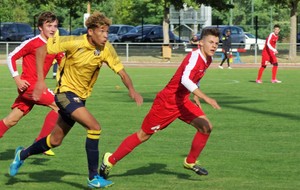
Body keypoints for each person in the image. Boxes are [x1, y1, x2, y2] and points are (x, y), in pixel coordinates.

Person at [8, 11, 143, 189]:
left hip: (80, 98)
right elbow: (41, 50)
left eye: (107, 32)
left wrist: (132, 90)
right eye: (101, 31)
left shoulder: (106, 49)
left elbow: (122, 72)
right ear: (90, 32)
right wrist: (40, 81)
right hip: (65, 94)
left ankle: (22, 155)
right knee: (94, 128)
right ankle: (93, 177)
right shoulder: (72, 41)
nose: (105, 36)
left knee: (55, 141)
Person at [100, 28, 221, 179]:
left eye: (216, 43)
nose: (214, 46)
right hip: (167, 102)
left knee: (206, 127)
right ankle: (110, 160)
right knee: (143, 135)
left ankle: (190, 162)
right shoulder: (195, 57)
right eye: (211, 42)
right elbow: (185, 79)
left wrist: (195, 96)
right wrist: (206, 98)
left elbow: (195, 78)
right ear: (201, 43)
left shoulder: (207, 59)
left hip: (182, 101)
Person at [0, 11, 64, 156]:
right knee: (59, 105)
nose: (53, 29)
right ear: (40, 27)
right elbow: (11, 57)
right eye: (49, 26)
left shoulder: (55, 45)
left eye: (55, 26)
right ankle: (40, 142)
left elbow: (64, 63)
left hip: (34, 89)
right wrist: (17, 78)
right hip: (30, 87)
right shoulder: (33, 43)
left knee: (11, 120)